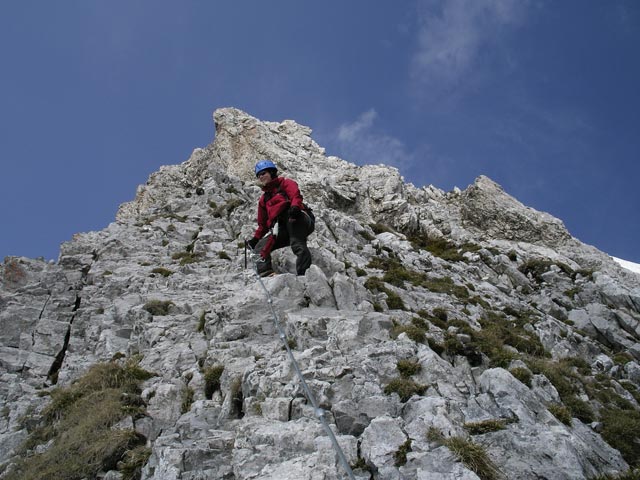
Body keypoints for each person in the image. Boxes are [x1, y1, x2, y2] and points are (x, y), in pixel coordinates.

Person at [247, 160, 315, 277]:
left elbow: (296, 196)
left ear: (272, 172)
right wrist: (255, 239)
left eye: (263, 173)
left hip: (297, 218)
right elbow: (263, 225)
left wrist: (294, 207)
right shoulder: (264, 200)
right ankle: (266, 273)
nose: (261, 177)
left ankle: (304, 275)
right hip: (281, 227)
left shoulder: (285, 183)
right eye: (259, 175)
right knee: (260, 247)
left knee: (296, 242)